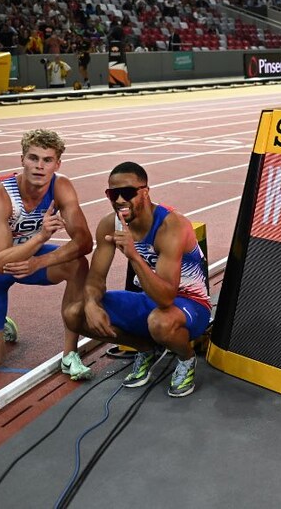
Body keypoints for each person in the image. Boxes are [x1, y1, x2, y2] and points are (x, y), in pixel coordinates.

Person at [67, 162, 212, 397]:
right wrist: (92, 304)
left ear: (145, 191)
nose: (120, 200)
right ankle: (145, 349)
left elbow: (166, 298)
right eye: (114, 194)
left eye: (128, 192)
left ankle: (186, 359)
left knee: (160, 322)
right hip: (150, 299)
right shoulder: (109, 223)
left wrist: (133, 255)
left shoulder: (171, 226)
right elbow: (95, 279)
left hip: (189, 304)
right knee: (75, 313)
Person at [0, 129, 93, 380]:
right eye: (33, 158)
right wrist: (42, 237)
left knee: (78, 264)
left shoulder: (61, 187)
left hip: (30, 258)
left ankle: (69, 355)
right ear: (22, 159)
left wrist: (39, 262)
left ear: (57, 164)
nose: (39, 167)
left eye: (47, 160)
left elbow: (84, 242)